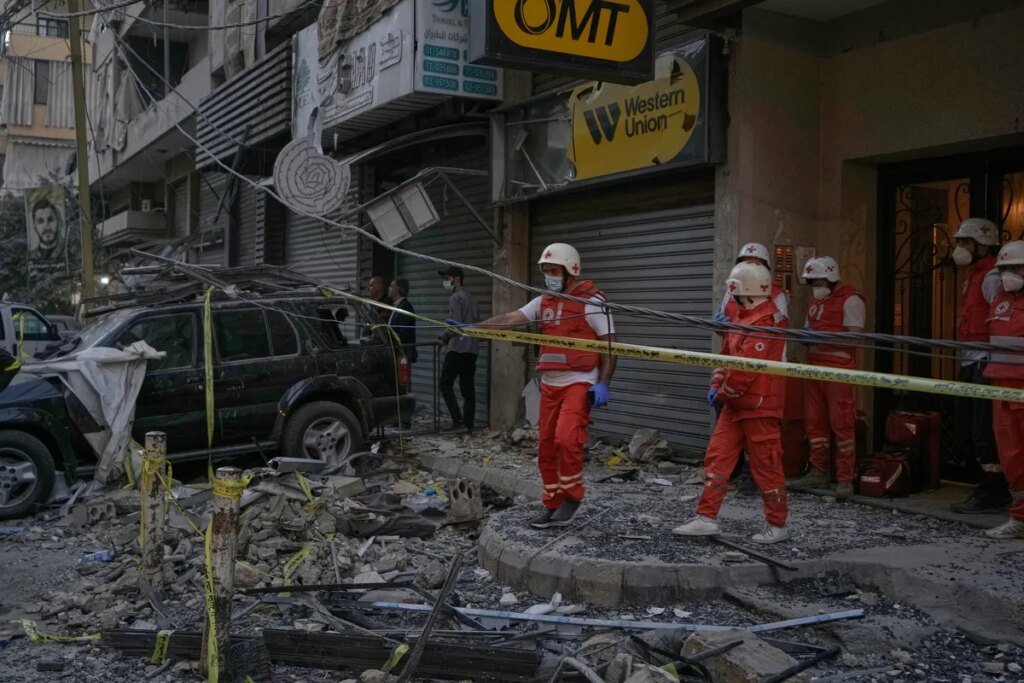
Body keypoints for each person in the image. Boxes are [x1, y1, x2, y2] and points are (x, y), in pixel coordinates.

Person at [472, 243, 615, 529]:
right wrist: (474, 328)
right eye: (546, 271)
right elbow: (512, 319)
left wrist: (603, 383)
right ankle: (552, 503)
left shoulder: (593, 302)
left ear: (570, 270)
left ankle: (572, 497)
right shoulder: (543, 302)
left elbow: (611, 346)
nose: (548, 276)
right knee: (546, 446)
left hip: (579, 381)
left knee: (566, 439)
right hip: (549, 384)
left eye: (553, 271)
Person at [673, 262, 789, 544]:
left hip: (759, 406)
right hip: (737, 403)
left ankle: (777, 525)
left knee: (765, 465)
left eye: (734, 290)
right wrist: (716, 384)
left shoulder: (766, 322)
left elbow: (745, 372)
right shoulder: (741, 316)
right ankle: (706, 517)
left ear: (746, 290)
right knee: (718, 457)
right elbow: (726, 355)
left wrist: (723, 391)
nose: (732, 296)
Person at [714, 242, 790, 496]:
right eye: (745, 261)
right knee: (725, 436)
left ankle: (752, 477)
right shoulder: (733, 289)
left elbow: (774, 337)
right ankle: (730, 475)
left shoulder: (776, 296)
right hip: (733, 367)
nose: (750, 265)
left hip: (762, 376)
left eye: (755, 262)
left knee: (759, 437)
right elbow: (725, 334)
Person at [790, 256, 866, 500]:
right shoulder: (815, 301)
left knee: (842, 423)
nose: (816, 287)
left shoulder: (851, 300)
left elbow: (855, 338)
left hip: (838, 371)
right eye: (812, 282)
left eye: (819, 282)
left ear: (831, 278)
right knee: (815, 423)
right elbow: (809, 327)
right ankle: (818, 471)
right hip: (814, 368)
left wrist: (821, 337)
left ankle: (845, 478)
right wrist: (806, 336)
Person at [950, 219, 1008, 514]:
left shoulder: (992, 276)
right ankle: (987, 483)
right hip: (971, 356)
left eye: (965, 242)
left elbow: (1000, 318)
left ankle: (994, 489)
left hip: (986, 358)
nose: (959, 248)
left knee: (983, 429)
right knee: (966, 426)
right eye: (959, 242)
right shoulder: (973, 274)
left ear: (982, 246)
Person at [982, 240, 1024, 539]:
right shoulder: (999, 299)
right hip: (1001, 386)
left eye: (1016, 267)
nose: (1009, 274)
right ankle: (1020, 518)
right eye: (1005, 268)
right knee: (1011, 457)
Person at [437, 266, 480, 433]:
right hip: (472, 350)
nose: (445, 282)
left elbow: (455, 325)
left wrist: (444, 336)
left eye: (447, 278)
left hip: (457, 349)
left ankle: (458, 421)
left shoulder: (455, 298)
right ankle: (468, 424)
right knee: (468, 389)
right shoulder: (472, 299)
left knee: (445, 384)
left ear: (457, 279)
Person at [387, 279, 417, 430]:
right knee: (395, 387)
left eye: (391, 286)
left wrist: (390, 339)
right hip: (396, 354)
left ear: (398, 289)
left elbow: (405, 333)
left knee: (402, 387)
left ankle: (405, 421)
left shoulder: (405, 307)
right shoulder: (396, 306)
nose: (389, 289)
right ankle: (396, 418)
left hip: (403, 354)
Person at [29, 198, 63, 262]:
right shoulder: (29, 258)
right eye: (40, 221)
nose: (47, 227)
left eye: (50, 219)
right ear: (34, 226)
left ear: (57, 222)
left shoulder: (68, 253)